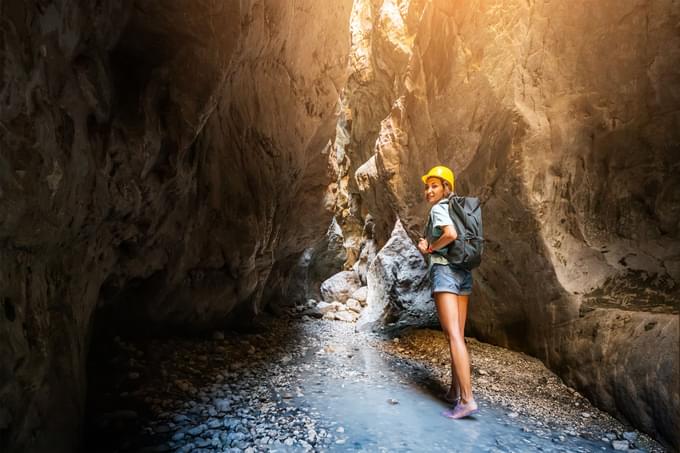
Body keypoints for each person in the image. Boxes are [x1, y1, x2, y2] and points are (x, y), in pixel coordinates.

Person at [417, 165, 478, 419]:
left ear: (446, 188)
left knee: (453, 335)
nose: (429, 190)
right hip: (463, 272)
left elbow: (450, 234)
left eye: (435, 185)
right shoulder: (459, 209)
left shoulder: (439, 208)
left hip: (445, 272)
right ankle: (454, 391)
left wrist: (429, 248)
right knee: (458, 336)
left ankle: (466, 400)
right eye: (427, 186)